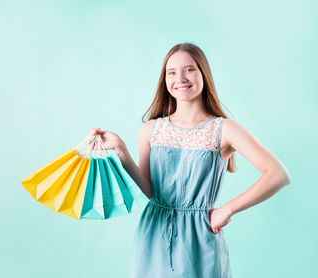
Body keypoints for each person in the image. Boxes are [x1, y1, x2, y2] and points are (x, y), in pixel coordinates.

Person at [87, 42, 291, 277]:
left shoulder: (224, 129)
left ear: (203, 73)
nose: (180, 78)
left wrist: (228, 209)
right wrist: (121, 150)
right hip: (153, 234)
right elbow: (150, 191)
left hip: (200, 238)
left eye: (189, 69)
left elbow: (278, 174)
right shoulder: (151, 129)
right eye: (171, 72)